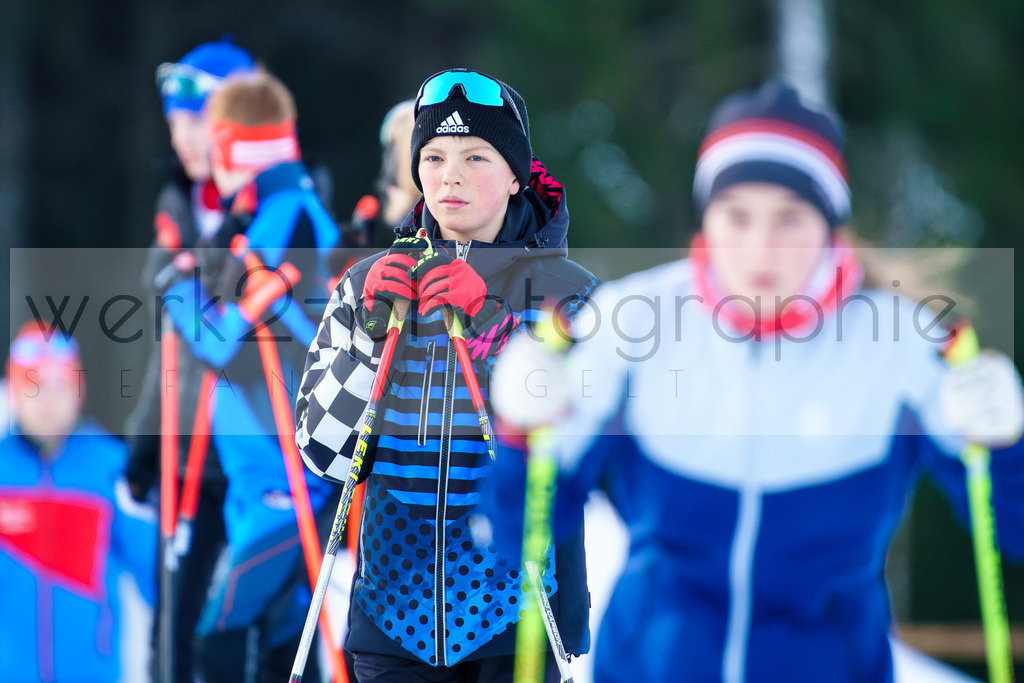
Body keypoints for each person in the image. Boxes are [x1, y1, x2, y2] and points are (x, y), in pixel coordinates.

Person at [482, 79, 1024, 682]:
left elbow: (1015, 529)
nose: (760, 246)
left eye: (790, 218)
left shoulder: (902, 345)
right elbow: (520, 535)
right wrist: (520, 434)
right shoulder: (630, 323)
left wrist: (1006, 447)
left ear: (831, 227)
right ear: (705, 220)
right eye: (736, 216)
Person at [296, 68, 598, 681]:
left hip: (515, 618)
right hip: (392, 617)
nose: (449, 174)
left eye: (476, 156)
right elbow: (322, 452)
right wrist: (364, 338)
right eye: (432, 156)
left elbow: (582, 437)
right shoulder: (368, 285)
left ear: (516, 175)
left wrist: (490, 323)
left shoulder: (566, 293)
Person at [162, 69, 341, 682]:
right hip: (255, 475)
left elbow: (227, 341)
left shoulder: (289, 218)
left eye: (216, 146)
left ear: (236, 147)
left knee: (224, 640)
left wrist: (178, 290)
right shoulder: (268, 213)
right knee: (272, 645)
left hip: (284, 478)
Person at [124, 36, 256, 683]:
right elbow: (169, 347)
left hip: (254, 451)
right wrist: (146, 442)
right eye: (175, 123)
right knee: (172, 626)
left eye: (197, 121)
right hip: (188, 456)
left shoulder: (273, 201)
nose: (183, 138)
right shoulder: (177, 205)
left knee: (253, 618)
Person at [0, 321, 157, 682]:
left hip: (91, 671)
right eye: (34, 389)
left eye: (59, 388)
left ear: (79, 391)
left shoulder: (112, 466)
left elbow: (154, 571)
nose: (48, 404)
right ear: (12, 392)